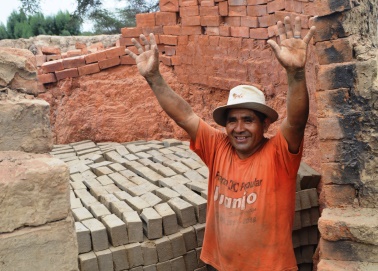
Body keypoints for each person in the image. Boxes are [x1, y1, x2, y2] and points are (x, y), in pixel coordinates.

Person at [126, 16, 316, 271]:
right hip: (218, 265)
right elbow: (185, 116)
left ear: (265, 125)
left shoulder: (278, 154)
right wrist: (154, 78)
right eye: (232, 120)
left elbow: (296, 121)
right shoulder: (218, 147)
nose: (238, 129)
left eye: (248, 120)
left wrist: (296, 73)